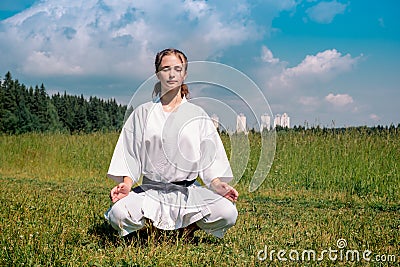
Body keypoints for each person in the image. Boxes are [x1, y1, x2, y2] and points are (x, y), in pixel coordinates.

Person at [104, 48, 238, 239]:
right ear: (158, 73)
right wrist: (126, 184)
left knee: (227, 213)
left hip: (188, 192)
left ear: (185, 74)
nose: (172, 74)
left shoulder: (197, 115)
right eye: (166, 68)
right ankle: (152, 227)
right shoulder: (142, 114)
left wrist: (218, 185)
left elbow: (210, 160)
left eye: (178, 68)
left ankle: (187, 227)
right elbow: (130, 155)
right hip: (150, 190)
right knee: (119, 214)